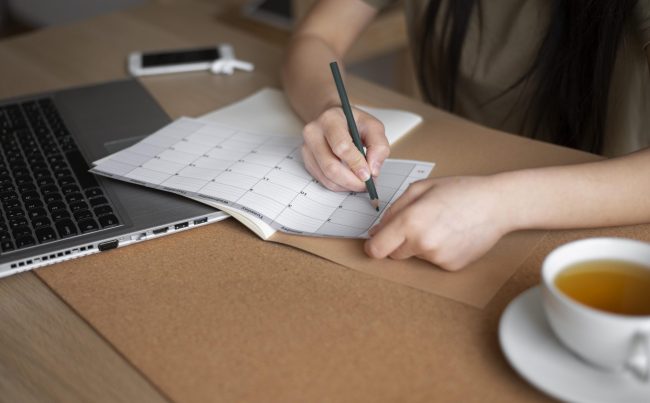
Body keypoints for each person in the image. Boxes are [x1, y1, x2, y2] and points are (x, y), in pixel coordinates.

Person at [281, 0, 650, 271]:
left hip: (605, 216)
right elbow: (317, 36)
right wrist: (329, 107)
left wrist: (502, 204)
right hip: (454, 176)